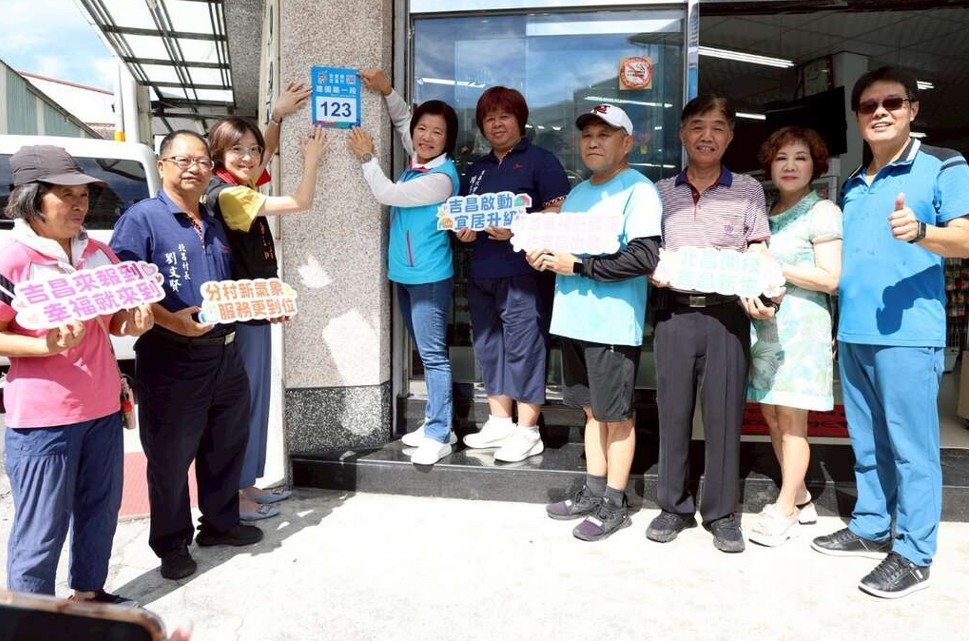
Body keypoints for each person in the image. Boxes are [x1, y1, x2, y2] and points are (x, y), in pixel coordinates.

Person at [811, 66, 969, 598]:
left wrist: (923, 232)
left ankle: (915, 554)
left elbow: (967, 238)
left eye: (893, 103)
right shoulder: (854, 184)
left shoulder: (943, 164)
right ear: (858, 117)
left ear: (912, 109)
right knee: (868, 441)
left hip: (909, 334)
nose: (880, 112)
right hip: (854, 331)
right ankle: (872, 526)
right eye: (868, 106)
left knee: (912, 448)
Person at [1, 145, 153, 604]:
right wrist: (43, 346)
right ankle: (33, 618)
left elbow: (114, 322)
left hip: (103, 408)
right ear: (31, 199)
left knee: (99, 511)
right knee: (41, 528)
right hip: (43, 419)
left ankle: (89, 594)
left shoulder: (100, 253)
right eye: (64, 195)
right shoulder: (13, 260)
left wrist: (133, 322)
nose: (78, 205)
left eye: (83, 194)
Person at [110, 130, 263, 581]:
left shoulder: (213, 219)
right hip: (172, 356)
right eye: (183, 160)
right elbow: (125, 288)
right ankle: (172, 543)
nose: (195, 168)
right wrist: (170, 320)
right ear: (162, 165)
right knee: (170, 457)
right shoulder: (142, 219)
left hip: (225, 354)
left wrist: (261, 306)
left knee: (225, 444)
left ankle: (219, 524)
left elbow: (232, 284)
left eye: (202, 161)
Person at [647, 95, 773, 554]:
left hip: (727, 316)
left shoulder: (749, 189)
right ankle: (673, 506)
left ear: (730, 136)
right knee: (672, 412)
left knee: (723, 416)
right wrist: (652, 270)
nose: (707, 136)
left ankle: (721, 513)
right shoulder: (659, 192)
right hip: (674, 313)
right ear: (682, 133)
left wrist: (761, 285)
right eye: (697, 126)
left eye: (718, 127)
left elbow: (757, 247)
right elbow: (648, 250)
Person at [531, 104, 662, 541]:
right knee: (591, 412)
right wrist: (544, 255)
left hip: (611, 325)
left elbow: (643, 257)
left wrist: (578, 266)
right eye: (587, 135)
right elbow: (566, 252)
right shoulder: (578, 194)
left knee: (616, 417)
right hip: (573, 320)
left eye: (604, 135)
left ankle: (615, 503)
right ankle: (592, 491)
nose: (592, 142)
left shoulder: (639, 190)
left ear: (627, 143)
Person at [206, 98, 327, 522]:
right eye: (237, 150)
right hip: (240, 317)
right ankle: (235, 497)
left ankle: (246, 485)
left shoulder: (237, 184)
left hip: (253, 310)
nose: (249, 157)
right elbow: (300, 202)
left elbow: (266, 153)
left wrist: (276, 118)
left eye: (252, 149)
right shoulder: (229, 195)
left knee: (254, 402)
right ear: (218, 153)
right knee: (244, 404)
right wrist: (312, 158)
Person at [346, 69, 460, 466]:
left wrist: (366, 157)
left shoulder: (441, 178)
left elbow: (387, 193)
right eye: (422, 129)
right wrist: (386, 89)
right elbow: (401, 121)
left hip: (429, 278)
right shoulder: (420, 160)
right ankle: (438, 423)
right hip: (407, 275)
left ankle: (439, 434)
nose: (426, 137)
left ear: (448, 140)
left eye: (437, 132)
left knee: (433, 356)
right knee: (425, 354)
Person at [456, 86, 570, 463]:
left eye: (504, 116)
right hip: (482, 271)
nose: (497, 124)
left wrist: (520, 227)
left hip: (524, 272)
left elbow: (560, 211)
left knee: (525, 347)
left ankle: (528, 430)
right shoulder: (477, 169)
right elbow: (466, 214)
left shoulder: (541, 161)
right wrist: (463, 231)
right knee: (489, 347)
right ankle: (500, 422)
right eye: (489, 118)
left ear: (520, 121)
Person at [746, 127, 842, 547]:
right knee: (770, 414)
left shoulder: (822, 212)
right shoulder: (766, 212)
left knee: (792, 421)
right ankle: (799, 493)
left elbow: (831, 279)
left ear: (814, 166)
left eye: (800, 158)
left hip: (802, 330)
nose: (789, 166)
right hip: (767, 327)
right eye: (781, 157)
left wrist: (773, 264)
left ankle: (785, 509)